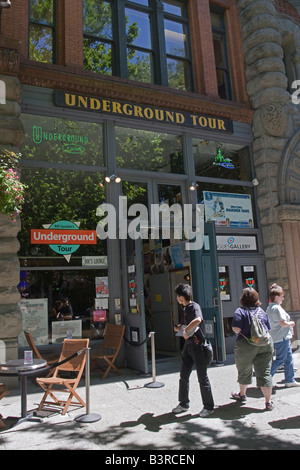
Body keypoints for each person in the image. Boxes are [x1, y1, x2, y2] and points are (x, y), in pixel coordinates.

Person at [172, 283, 214, 418]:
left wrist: (186, 329)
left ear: (183, 296)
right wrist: (180, 327)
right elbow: (188, 324)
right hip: (188, 346)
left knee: (202, 377)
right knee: (183, 375)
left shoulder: (194, 306)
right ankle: (183, 403)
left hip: (198, 346)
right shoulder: (184, 308)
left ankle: (209, 406)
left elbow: (198, 320)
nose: (178, 298)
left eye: (178, 296)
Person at [231, 287, 274, 410]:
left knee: (244, 369)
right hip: (265, 344)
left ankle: (242, 394)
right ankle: (268, 402)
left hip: (246, 344)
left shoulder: (240, 311)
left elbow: (236, 329)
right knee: (265, 371)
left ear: (243, 299)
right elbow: (268, 329)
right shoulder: (262, 311)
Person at [267, 284, 300, 387]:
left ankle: (290, 379)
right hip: (281, 337)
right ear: (276, 297)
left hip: (279, 337)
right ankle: (265, 379)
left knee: (288, 359)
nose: (283, 298)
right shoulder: (277, 308)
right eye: (281, 296)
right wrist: (292, 323)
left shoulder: (269, 308)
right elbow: (283, 322)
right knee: (281, 359)